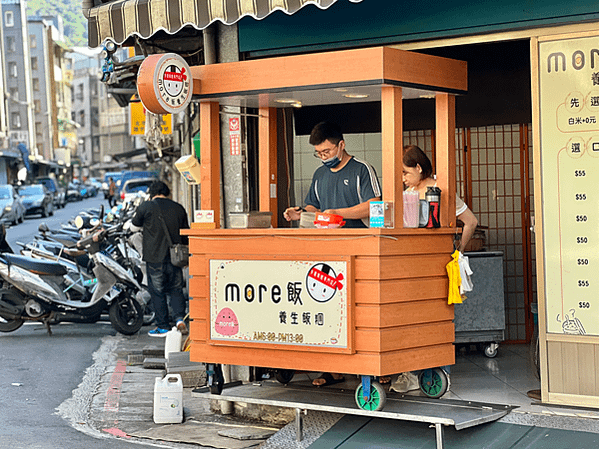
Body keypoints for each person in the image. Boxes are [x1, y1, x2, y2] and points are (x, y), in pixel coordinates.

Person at [284, 121, 381, 385]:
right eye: (319, 153)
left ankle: (372, 368)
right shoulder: (319, 175)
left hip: (360, 250)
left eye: (327, 151)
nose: (323, 157)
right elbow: (314, 208)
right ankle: (334, 368)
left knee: (363, 312)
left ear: (341, 144)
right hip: (327, 256)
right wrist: (299, 214)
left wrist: (339, 212)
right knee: (330, 312)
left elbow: (375, 206)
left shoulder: (362, 170)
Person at [390, 144, 478, 393]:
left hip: (434, 265)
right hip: (411, 266)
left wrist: (458, 249)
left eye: (406, 172)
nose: (403, 178)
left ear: (419, 167)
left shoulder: (440, 189)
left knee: (435, 317)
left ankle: (434, 373)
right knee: (412, 319)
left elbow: (470, 221)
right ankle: (413, 371)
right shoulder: (409, 191)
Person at [131, 180, 190, 337]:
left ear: (151, 193)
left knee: (158, 292)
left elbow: (134, 224)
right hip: (175, 257)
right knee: (176, 290)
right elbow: (186, 234)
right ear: (168, 192)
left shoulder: (146, 207)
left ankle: (163, 326)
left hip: (155, 257)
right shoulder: (178, 208)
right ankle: (179, 319)